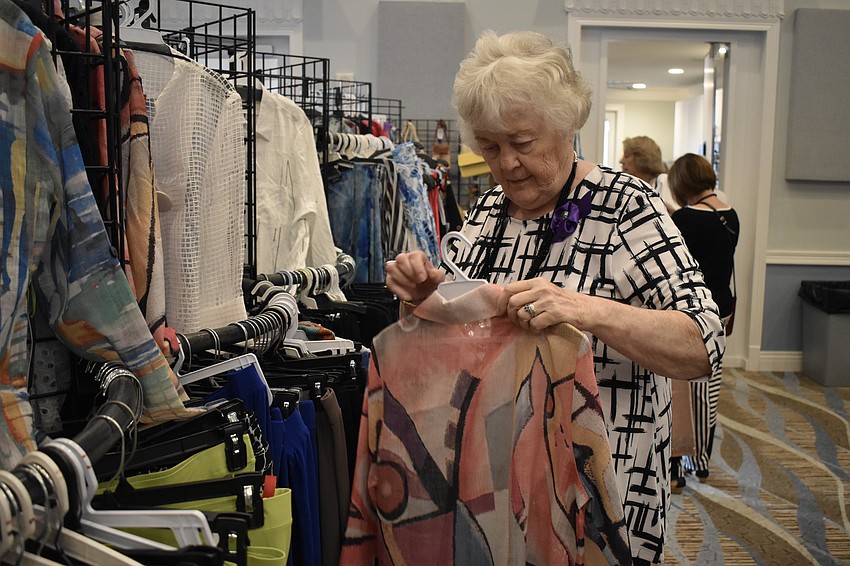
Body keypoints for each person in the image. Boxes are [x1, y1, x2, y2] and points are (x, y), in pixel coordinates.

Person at [384, 30, 725, 565]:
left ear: (566, 126)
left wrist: (583, 308)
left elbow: (702, 344)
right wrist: (428, 297)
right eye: (490, 148)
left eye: (522, 143)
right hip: (498, 485)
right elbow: (460, 341)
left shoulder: (626, 208)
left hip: (600, 482)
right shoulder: (489, 213)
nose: (506, 165)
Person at [667, 153, 739, 491]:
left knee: (681, 391)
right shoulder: (729, 213)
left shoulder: (685, 218)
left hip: (691, 312)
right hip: (722, 307)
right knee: (710, 390)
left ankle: (676, 464)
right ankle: (702, 460)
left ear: (681, 182)